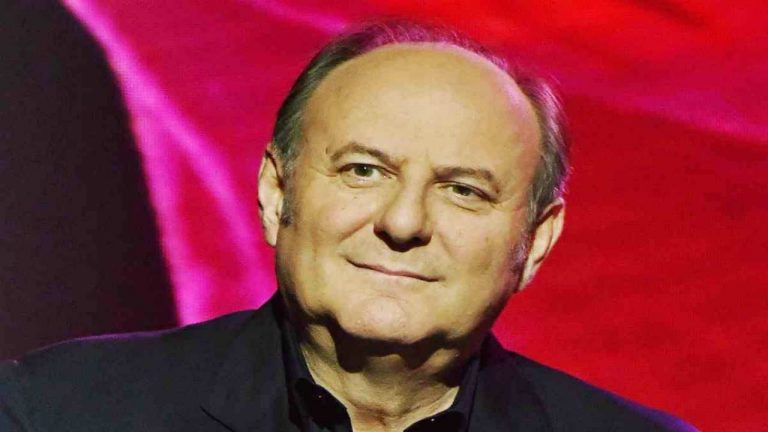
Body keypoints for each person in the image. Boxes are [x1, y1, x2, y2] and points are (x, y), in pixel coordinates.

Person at [0, 21, 697, 431]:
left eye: (462, 191)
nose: (403, 222)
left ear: (536, 242)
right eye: (364, 171)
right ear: (276, 193)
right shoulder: (58, 412)